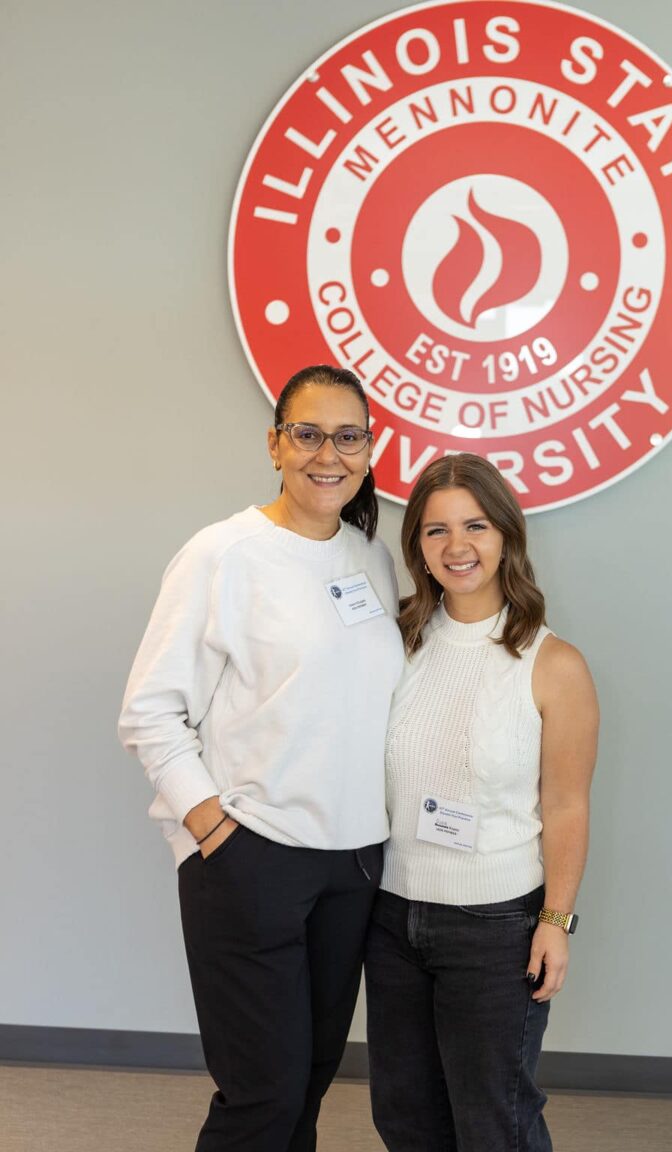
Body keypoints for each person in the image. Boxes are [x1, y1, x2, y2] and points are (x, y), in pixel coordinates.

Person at [118, 365, 404, 1152]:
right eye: (308, 434)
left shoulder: (372, 558)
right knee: (262, 1096)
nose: (328, 454)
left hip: (353, 865)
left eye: (348, 437)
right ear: (275, 444)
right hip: (252, 858)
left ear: (370, 449)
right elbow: (149, 709)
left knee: (306, 1084)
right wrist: (214, 830)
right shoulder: (223, 554)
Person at [365, 453, 599, 1152]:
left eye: (475, 526)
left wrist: (556, 920)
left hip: (496, 927)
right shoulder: (394, 642)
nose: (456, 546)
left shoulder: (554, 665)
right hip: (392, 916)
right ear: (417, 546)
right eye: (435, 530)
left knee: (494, 1122)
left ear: (506, 534)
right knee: (406, 1118)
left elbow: (566, 805)